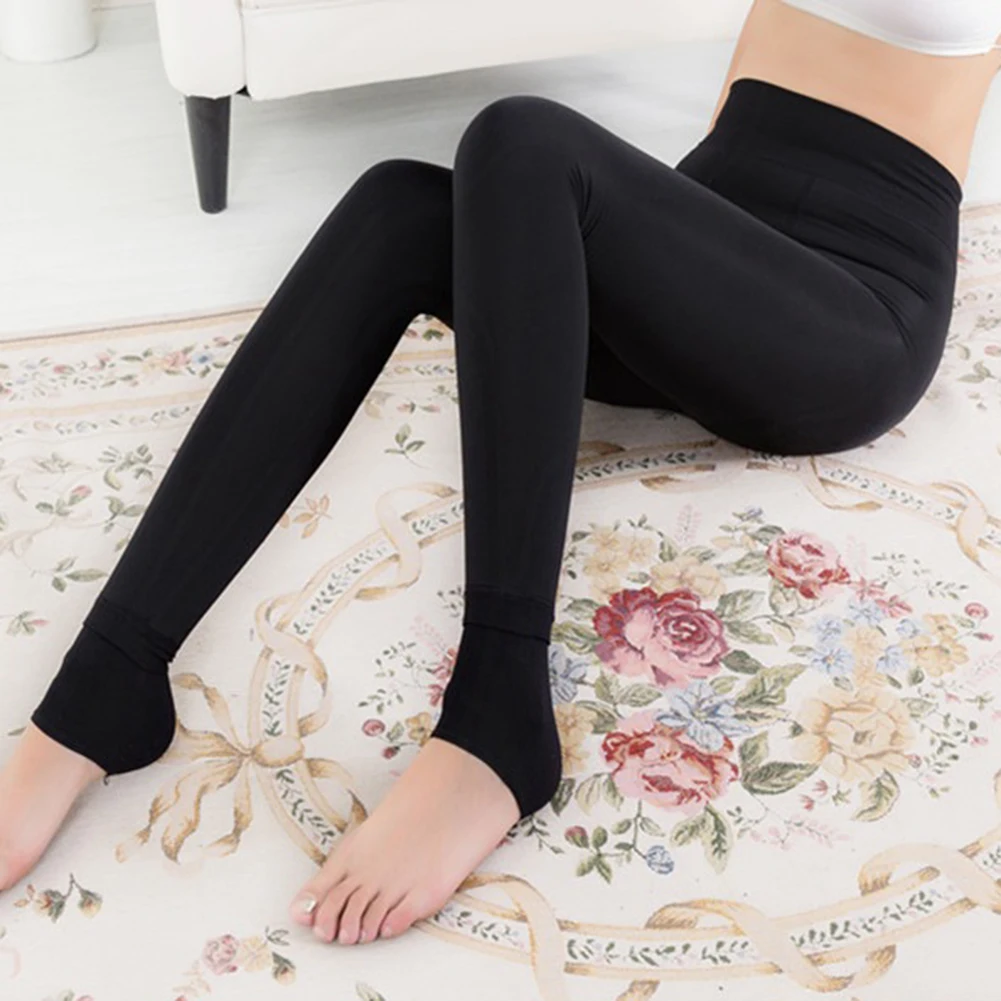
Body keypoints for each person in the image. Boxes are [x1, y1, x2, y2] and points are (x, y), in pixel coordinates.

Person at [1, 0, 999, 947]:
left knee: (522, 135)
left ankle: (497, 711)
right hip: (710, 256)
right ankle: (108, 679)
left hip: (847, 316)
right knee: (398, 206)